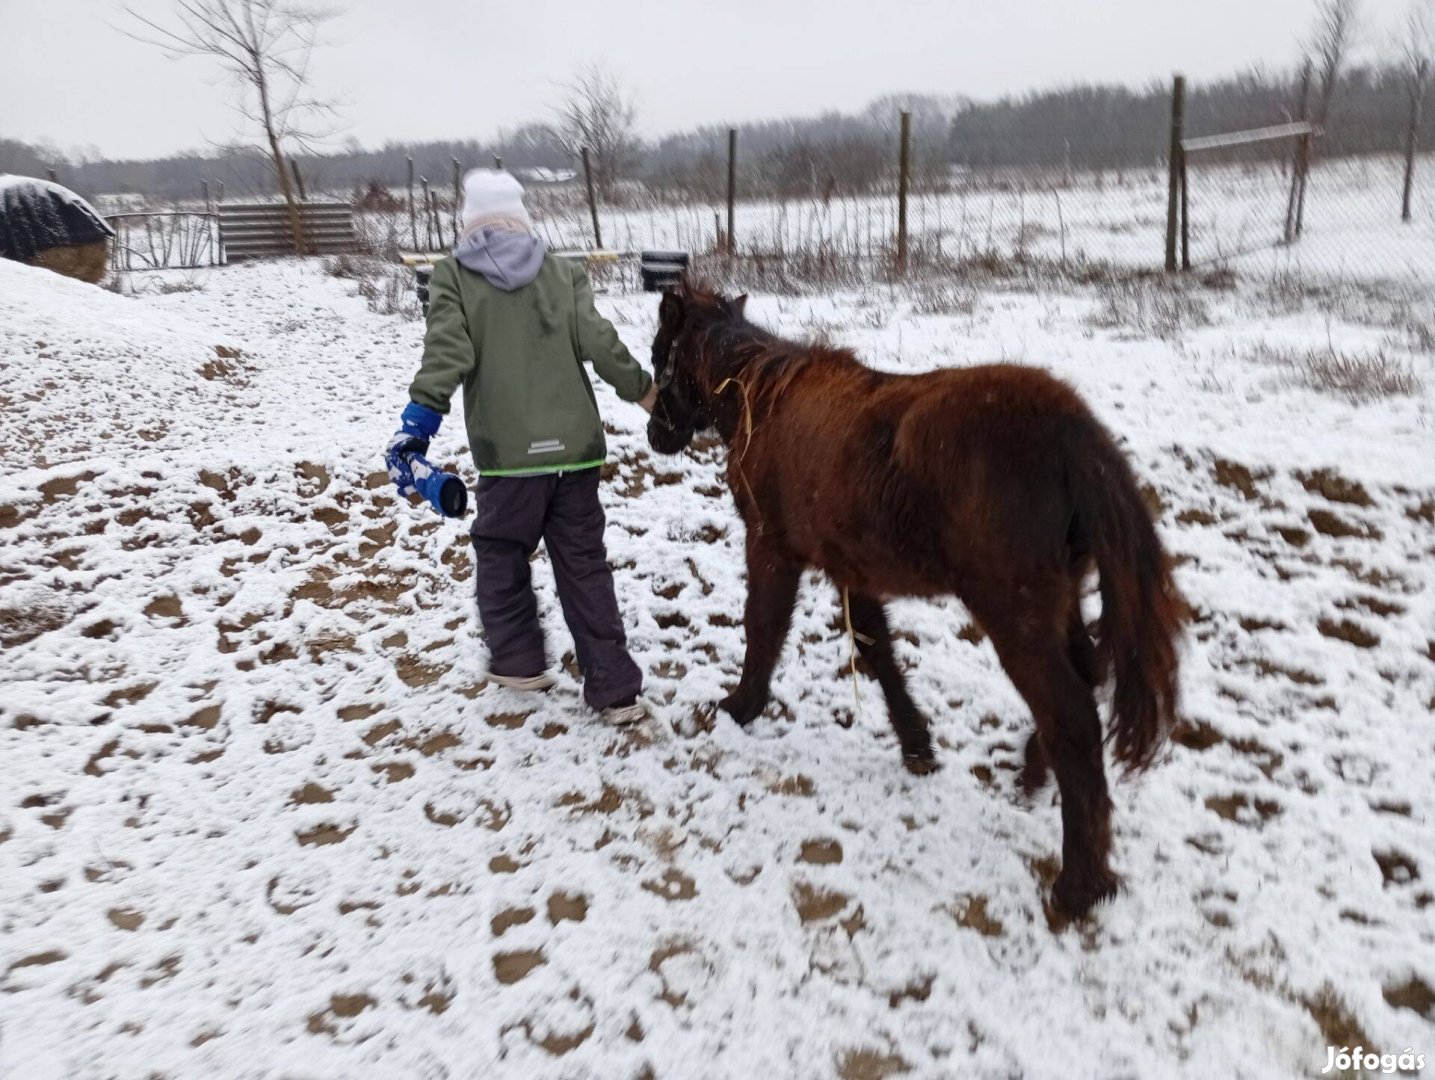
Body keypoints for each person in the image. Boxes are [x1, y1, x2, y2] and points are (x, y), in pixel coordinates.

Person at [386, 169, 656, 725]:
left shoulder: (453, 278)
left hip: (509, 460)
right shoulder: (561, 273)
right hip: (578, 452)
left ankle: (518, 660)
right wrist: (648, 394)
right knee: (583, 565)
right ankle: (615, 690)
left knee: (501, 549)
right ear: (522, 217)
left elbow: (446, 354)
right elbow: (600, 343)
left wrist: (418, 423)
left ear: (469, 222)